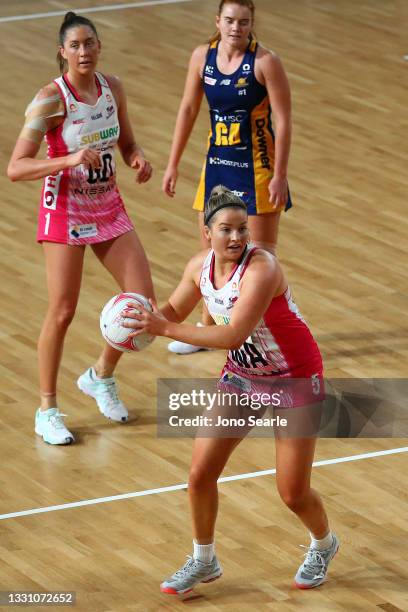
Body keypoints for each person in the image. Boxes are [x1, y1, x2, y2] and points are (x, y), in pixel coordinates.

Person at [124, 185, 339, 595]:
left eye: (243, 229)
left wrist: (163, 328)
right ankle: (204, 560)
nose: (237, 238)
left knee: (292, 493)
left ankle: (324, 544)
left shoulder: (263, 269)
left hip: (295, 379)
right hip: (243, 377)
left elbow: (232, 334)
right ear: (207, 233)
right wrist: (139, 322)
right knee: (199, 474)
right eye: (226, 229)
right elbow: (171, 311)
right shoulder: (198, 267)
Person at [7, 12, 154, 445]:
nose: (84, 51)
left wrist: (137, 158)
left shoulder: (113, 88)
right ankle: (47, 409)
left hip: (108, 204)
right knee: (63, 311)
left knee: (143, 304)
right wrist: (68, 160)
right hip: (65, 210)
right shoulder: (50, 99)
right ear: (62, 52)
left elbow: (126, 142)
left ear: (99, 45)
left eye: (90, 43)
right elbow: (16, 167)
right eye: (75, 45)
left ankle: (100, 375)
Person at [162, 0, 292, 354]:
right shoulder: (202, 57)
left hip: (257, 168)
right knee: (211, 253)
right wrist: (172, 164)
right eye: (230, 20)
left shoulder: (265, 62)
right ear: (218, 21)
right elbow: (188, 108)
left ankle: (268, 334)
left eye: (244, 21)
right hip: (217, 165)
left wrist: (280, 174)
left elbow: (283, 119)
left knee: (262, 257)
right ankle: (208, 328)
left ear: (252, 24)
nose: (237, 27)